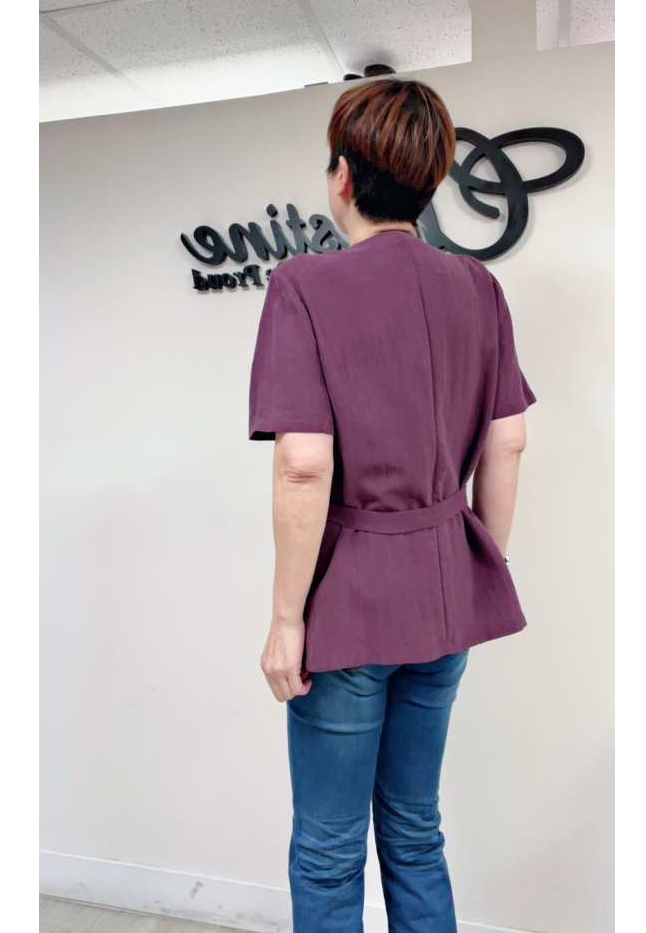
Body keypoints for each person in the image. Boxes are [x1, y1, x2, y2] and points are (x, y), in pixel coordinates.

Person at [247, 78, 537, 932]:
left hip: (350, 611)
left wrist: (286, 620)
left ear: (342, 176)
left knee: (328, 851)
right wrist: (481, 561)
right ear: (431, 178)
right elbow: (509, 442)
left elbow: (304, 465)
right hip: (446, 599)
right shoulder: (477, 286)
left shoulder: (304, 284)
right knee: (414, 831)